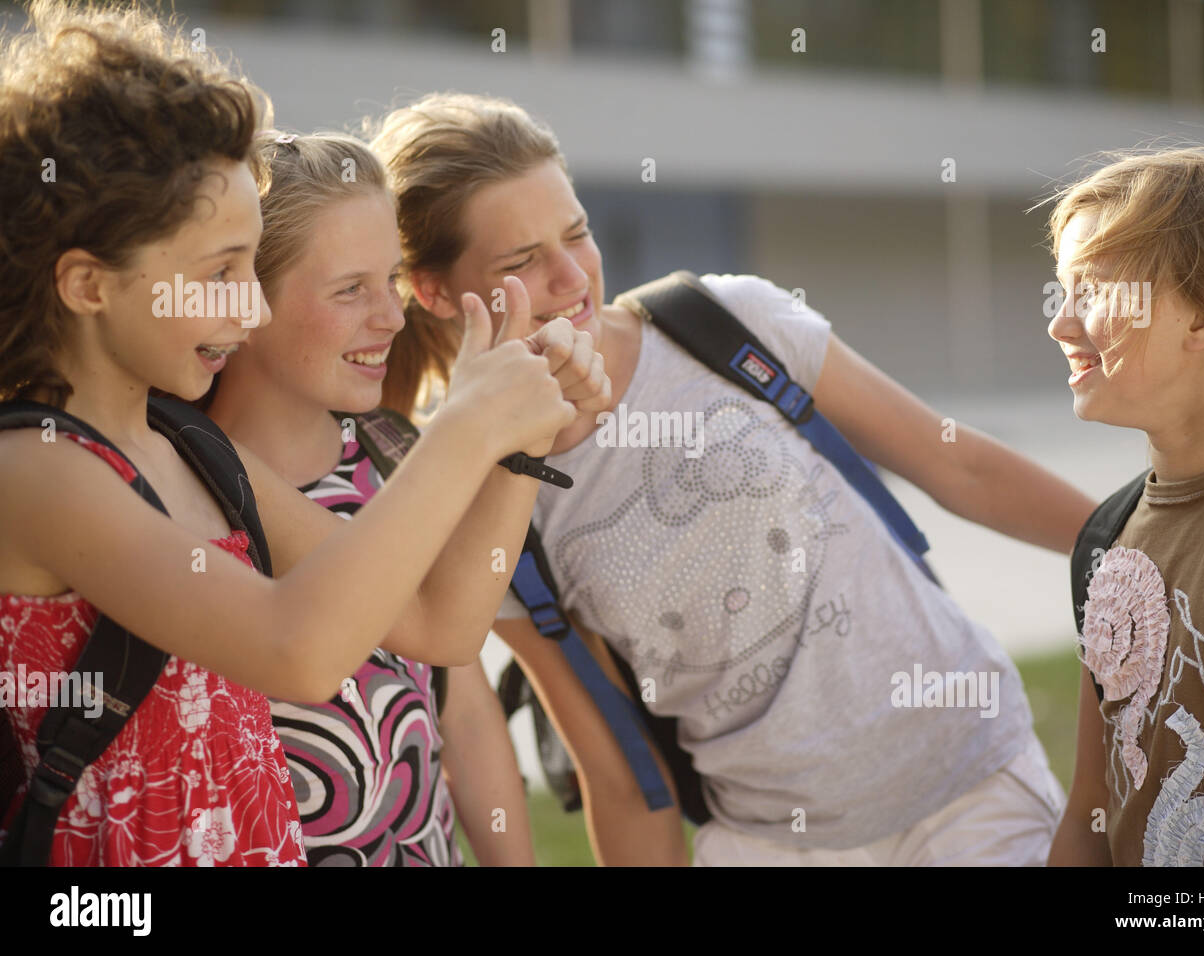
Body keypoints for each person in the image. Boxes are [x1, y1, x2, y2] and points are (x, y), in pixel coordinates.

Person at [370, 91, 1098, 866]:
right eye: (520, 262)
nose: (569, 275)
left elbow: (960, 465)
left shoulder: (726, 324)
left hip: (974, 792)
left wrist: (1145, 552)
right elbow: (622, 771)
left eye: (577, 233)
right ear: (434, 290)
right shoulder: (484, 502)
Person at [0, 3, 578, 865]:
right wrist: (468, 424)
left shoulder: (191, 450)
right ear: (88, 284)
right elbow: (300, 648)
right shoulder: (37, 469)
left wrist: (518, 434)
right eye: (222, 272)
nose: (249, 304)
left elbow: (440, 625)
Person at [207, 130, 603, 865]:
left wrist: (519, 426)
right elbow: (440, 625)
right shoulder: (194, 480)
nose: (390, 317)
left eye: (390, 281)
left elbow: (466, 709)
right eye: (349, 289)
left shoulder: (393, 454)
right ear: (242, 305)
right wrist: (496, 429)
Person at [1044, 146, 1204, 866]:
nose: (1061, 326)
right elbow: (1093, 813)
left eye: (1093, 291)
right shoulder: (1104, 542)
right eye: (1062, 291)